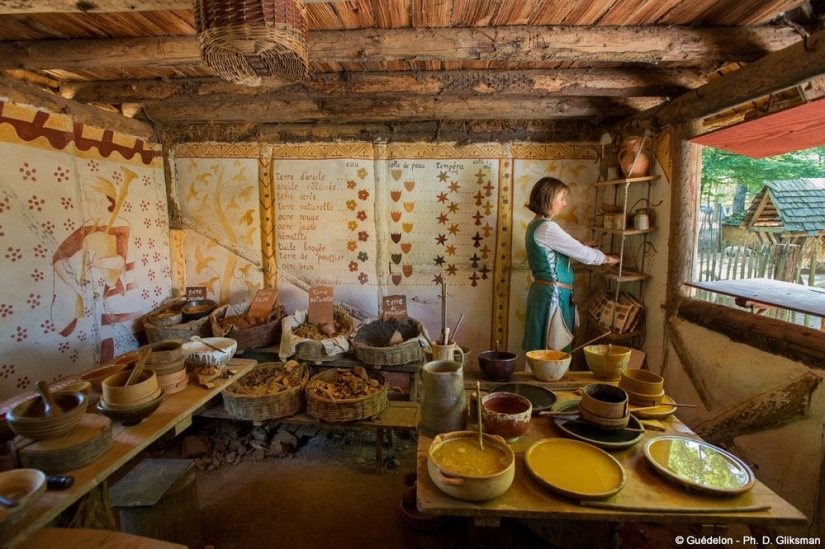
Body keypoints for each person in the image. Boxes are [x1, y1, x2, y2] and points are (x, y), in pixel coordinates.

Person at [522, 176, 620, 353]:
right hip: (552, 297)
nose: (565, 203)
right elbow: (583, 254)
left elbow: (556, 250)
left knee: (542, 351)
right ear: (549, 199)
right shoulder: (547, 227)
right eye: (562, 198)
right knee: (551, 352)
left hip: (544, 293)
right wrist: (607, 259)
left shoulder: (534, 225)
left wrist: (581, 244)